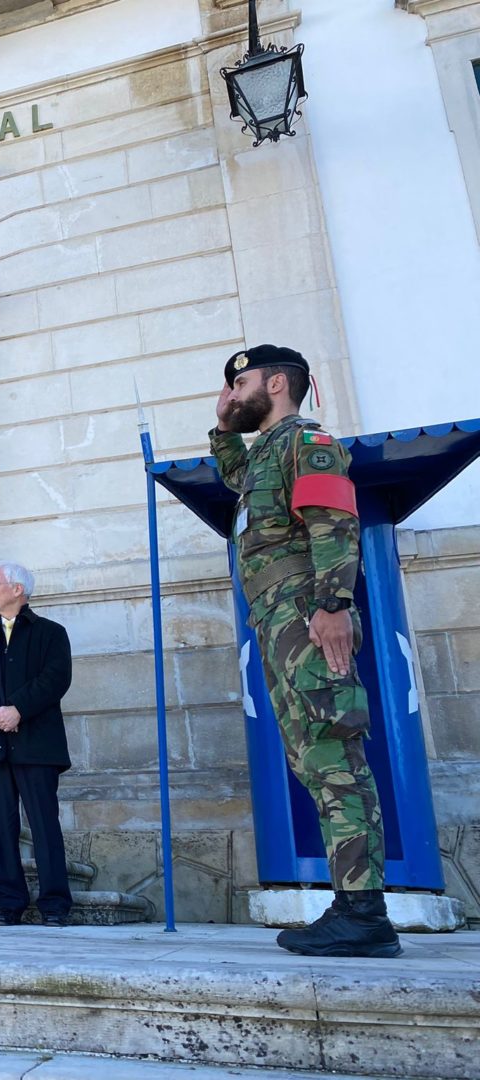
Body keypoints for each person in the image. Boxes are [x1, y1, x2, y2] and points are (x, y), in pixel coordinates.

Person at [211, 344, 399, 958]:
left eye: (241, 385)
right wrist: (222, 426)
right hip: (278, 621)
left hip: (307, 616)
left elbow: (333, 522)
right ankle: (353, 906)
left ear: (277, 383)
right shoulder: (265, 451)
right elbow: (238, 478)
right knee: (313, 761)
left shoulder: (307, 442)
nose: (235, 395)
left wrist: (335, 605)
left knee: (334, 753)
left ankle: (365, 913)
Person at [0, 563, 74, 927]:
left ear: (17, 589)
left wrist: (18, 709)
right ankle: (8, 904)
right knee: (2, 830)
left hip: (36, 745)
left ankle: (54, 905)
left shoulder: (50, 633)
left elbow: (55, 678)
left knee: (43, 824)